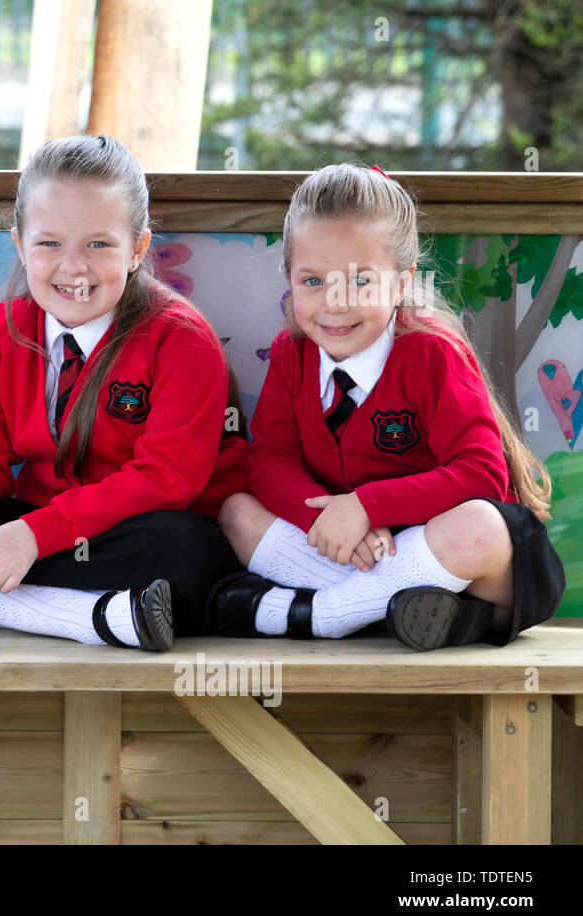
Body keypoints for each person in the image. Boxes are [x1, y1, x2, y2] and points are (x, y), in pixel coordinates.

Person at [0, 134, 248, 650]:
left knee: (186, 551)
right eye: (49, 243)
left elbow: (165, 481)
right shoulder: (6, 327)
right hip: (48, 530)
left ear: (137, 249)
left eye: (99, 243)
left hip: (139, 532)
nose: (74, 267)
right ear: (19, 245)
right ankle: (101, 616)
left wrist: (33, 537)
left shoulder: (180, 338)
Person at [207, 163, 564, 650]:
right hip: (351, 549)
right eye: (312, 281)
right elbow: (270, 459)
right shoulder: (292, 354)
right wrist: (329, 520)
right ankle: (395, 610)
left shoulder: (429, 353)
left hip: (455, 556)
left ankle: (326, 613)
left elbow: (482, 473)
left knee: (478, 529)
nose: (335, 302)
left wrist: (366, 507)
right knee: (237, 513)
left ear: (400, 283)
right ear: (288, 277)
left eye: (360, 281)